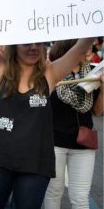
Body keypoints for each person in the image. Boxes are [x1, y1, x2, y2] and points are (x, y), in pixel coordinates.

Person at [0, 37, 94, 209]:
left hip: (35, 164)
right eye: (26, 43)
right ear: (14, 45)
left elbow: (81, 47)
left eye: (38, 43)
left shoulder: (50, 74)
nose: (33, 48)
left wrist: (94, 22)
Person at [44, 39, 104, 209]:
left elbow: (98, 112)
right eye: (83, 47)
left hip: (83, 143)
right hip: (55, 142)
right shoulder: (52, 71)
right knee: (53, 193)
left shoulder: (93, 72)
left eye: (88, 46)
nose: (88, 50)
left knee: (80, 197)